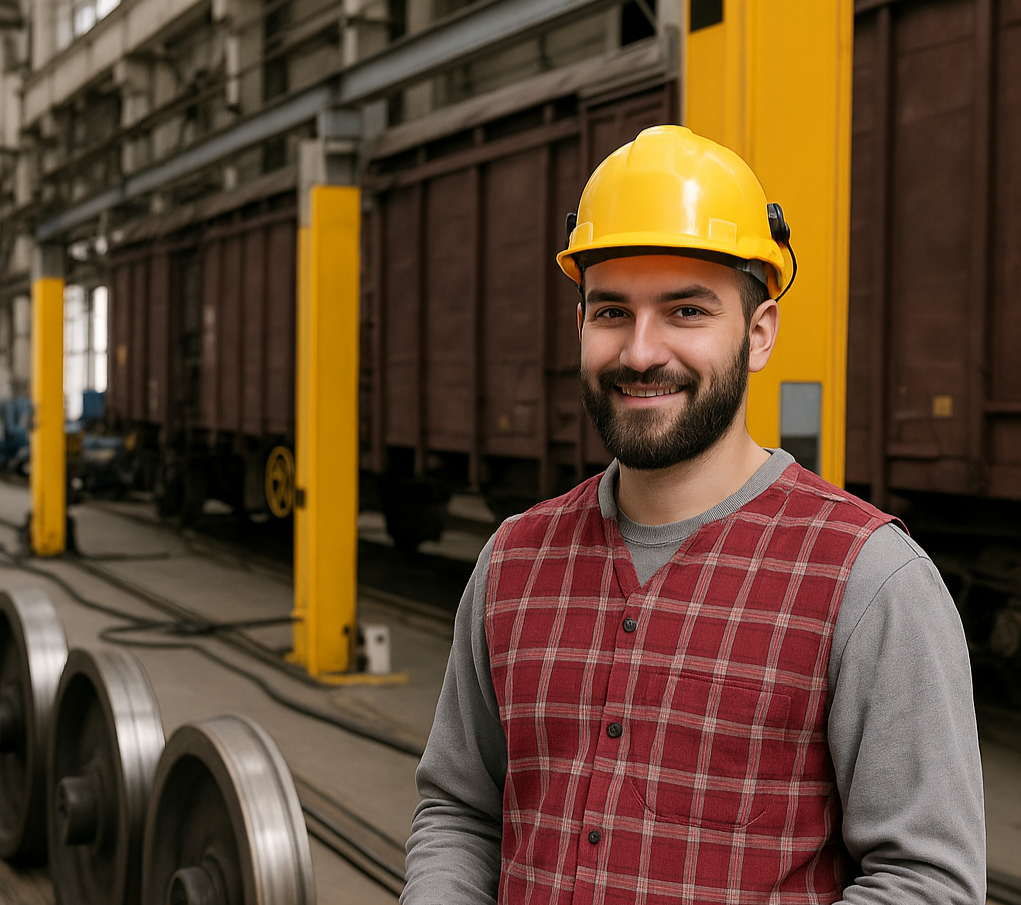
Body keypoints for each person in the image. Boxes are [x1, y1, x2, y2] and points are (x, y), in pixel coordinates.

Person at [401, 125, 986, 904]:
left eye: (684, 311)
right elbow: (460, 810)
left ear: (758, 332)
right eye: (611, 311)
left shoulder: (869, 583)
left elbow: (926, 882)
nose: (641, 351)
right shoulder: (514, 562)